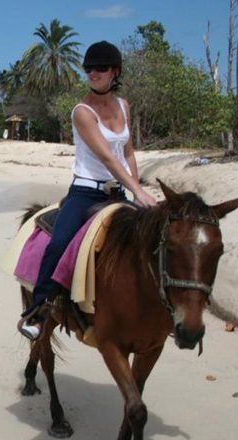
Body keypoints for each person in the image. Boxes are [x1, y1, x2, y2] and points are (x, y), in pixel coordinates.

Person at [18, 40, 158, 340]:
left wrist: (136, 191)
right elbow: (107, 156)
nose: (93, 73)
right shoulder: (82, 112)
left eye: (101, 68)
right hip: (85, 193)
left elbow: (128, 151)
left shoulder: (124, 106)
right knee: (59, 244)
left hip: (117, 193)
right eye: (89, 68)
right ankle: (38, 310)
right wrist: (138, 190)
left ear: (115, 72)